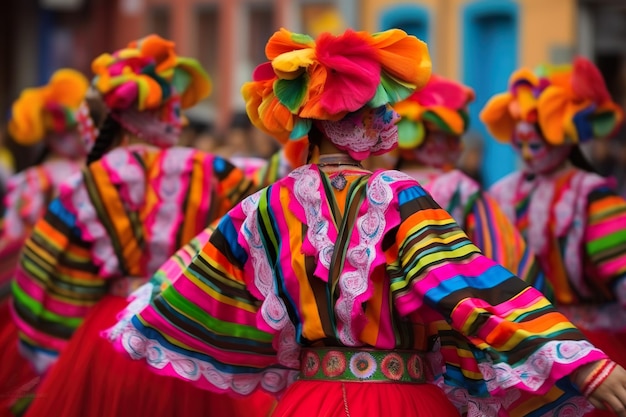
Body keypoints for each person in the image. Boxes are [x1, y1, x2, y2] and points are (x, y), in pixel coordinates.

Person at [105, 28, 626, 417]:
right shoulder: (398, 197)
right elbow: (465, 287)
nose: (389, 121)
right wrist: (572, 358)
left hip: (307, 400)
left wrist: (137, 309)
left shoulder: (261, 206)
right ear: (346, 120)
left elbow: (193, 283)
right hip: (400, 401)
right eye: (377, 110)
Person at [11, 34, 274, 417]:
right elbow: (260, 211)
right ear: (147, 114)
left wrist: (51, 347)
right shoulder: (211, 171)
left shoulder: (87, 182)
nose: (181, 119)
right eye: (172, 108)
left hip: (108, 331)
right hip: (183, 326)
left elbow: (43, 273)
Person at [481, 58, 626, 381]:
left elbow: (620, 268)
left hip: (590, 344)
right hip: (522, 343)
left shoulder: (589, 194)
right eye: (521, 144)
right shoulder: (502, 193)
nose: (529, 154)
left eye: (536, 143)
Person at [392, 74, 550, 297]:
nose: (459, 146)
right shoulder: (461, 189)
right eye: (451, 137)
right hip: (452, 319)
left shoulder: (377, 187)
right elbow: (508, 262)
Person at [0, 68, 96, 415]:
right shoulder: (99, 177)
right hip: (91, 301)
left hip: (34, 301)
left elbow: (12, 242)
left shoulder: (31, 181)